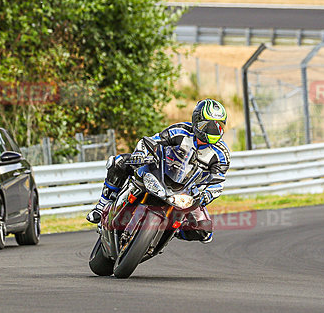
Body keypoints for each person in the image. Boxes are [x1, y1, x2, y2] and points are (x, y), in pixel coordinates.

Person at [86, 99, 230, 244]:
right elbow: (152, 141)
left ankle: (174, 231)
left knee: (205, 232)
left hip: (187, 192)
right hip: (160, 171)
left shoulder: (221, 154)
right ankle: (102, 206)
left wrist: (205, 196)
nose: (213, 130)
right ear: (196, 120)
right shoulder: (180, 130)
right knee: (119, 163)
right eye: (208, 125)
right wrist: (141, 154)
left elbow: (218, 182)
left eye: (219, 126)